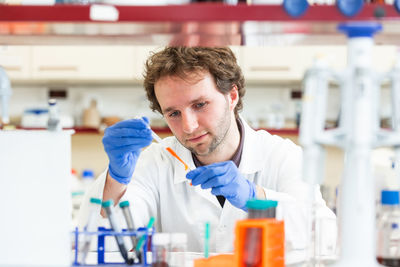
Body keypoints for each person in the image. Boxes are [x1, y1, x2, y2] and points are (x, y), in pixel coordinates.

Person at [79, 47, 336, 253]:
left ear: (231, 96)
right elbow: (108, 246)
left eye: (200, 104)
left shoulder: (282, 157)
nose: (188, 126)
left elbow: (323, 238)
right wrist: (117, 178)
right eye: (174, 113)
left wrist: (254, 197)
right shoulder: (154, 162)